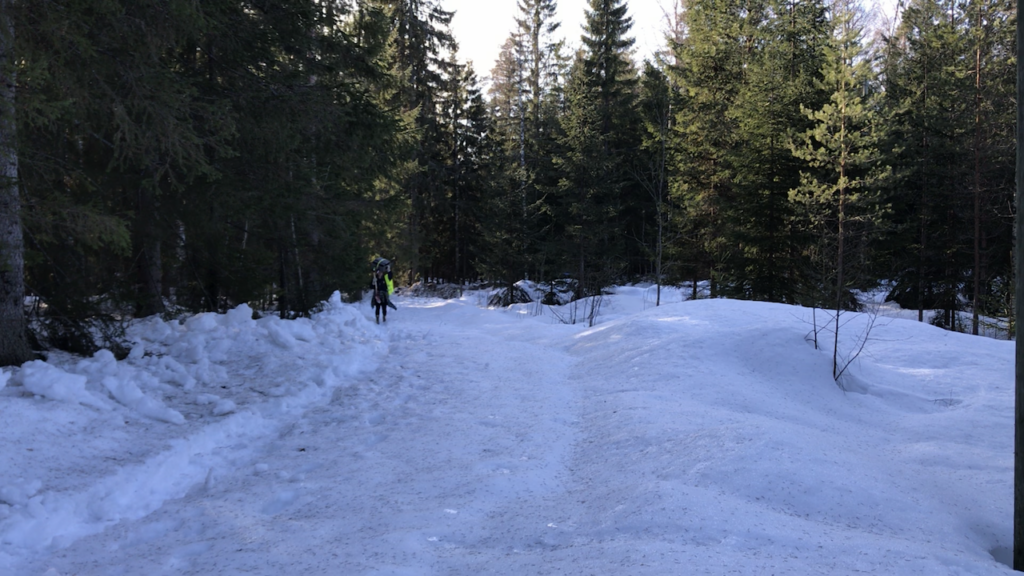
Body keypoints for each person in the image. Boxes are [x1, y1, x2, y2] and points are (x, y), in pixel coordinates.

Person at [370, 258, 395, 324]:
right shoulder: (375, 279)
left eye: (381, 273)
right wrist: (373, 283)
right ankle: (377, 317)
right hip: (377, 294)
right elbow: (371, 287)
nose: (380, 274)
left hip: (384, 295)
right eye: (378, 273)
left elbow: (390, 277)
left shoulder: (385, 278)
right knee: (377, 307)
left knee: (384, 306)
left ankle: (384, 316)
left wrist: (389, 270)